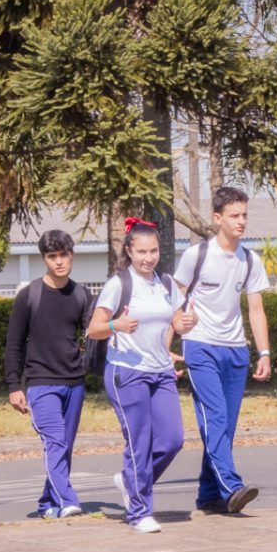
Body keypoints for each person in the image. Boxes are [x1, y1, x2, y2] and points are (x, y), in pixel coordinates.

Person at [172, 187, 273, 516]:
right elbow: (175, 299)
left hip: (235, 351)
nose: (241, 221)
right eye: (234, 215)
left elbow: (255, 309)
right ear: (218, 218)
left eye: (244, 215)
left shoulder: (249, 259)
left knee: (225, 426)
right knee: (214, 417)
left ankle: (208, 496)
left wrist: (264, 352)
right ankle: (231, 486)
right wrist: (177, 323)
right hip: (200, 346)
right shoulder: (196, 256)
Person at [87, 219, 185, 534]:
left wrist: (184, 323)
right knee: (139, 442)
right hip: (126, 373)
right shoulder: (120, 284)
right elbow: (94, 329)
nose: (148, 257)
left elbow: (177, 320)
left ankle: (130, 481)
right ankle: (139, 511)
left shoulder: (166, 283)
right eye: (141, 251)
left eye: (153, 250)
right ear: (129, 251)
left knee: (172, 440)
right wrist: (117, 325)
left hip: (160, 372)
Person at [6, 231, 95, 521]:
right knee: (55, 442)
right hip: (41, 383)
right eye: (52, 256)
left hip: (74, 383)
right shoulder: (28, 295)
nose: (59, 262)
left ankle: (47, 502)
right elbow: (14, 344)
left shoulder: (81, 294)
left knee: (64, 448)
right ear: (44, 258)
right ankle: (68, 500)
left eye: (63, 255)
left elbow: (95, 334)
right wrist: (13, 386)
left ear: (72, 254)